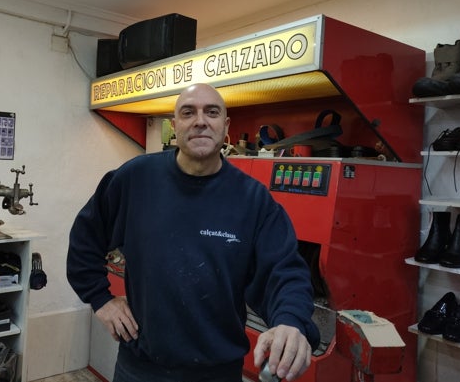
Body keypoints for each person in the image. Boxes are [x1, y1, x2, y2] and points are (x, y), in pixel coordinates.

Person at [67, 83, 320, 382]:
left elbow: (284, 270)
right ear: (175, 126)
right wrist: (100, 298)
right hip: (140, 370)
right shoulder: (135, 179)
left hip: (217, 374)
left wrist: (290, 320)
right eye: (189, 112)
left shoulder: (252, 199)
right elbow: (85, 238)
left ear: (225, 126)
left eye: (211, 112)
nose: (200, 120)